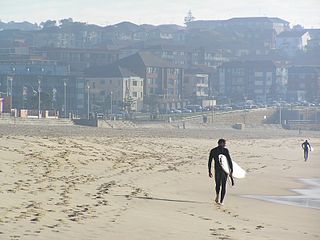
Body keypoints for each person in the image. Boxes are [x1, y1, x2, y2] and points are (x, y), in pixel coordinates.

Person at [208, 139, 233, 205]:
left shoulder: (213, 150)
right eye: (224, 143)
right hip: (224, 171)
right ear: (221, 143)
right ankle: (221, 201)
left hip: (218, 170)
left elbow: (210, 161)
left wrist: (209, 171)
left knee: (218, 184)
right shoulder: (225, 150)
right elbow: (229, 161)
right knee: (223, 186)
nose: (225, 144)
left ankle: (218, 196)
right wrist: (231, 170)